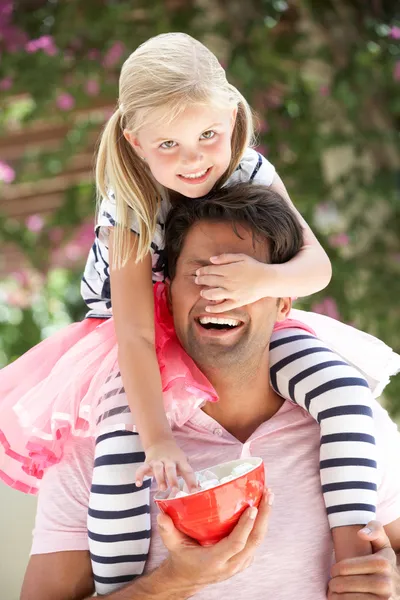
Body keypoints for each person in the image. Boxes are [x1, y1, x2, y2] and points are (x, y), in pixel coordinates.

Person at [0, 31, 399, 585]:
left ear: (233, 119)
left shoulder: (251, 169)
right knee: (123, 447)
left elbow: (317, 267)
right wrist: (159, 438)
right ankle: (121, 582)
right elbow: (135, 335)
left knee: (343, 391)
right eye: (169, 146)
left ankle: (357, 554)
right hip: (140, 335)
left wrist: (262, 277)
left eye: (208, 134)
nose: (194, 160)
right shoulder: (129, 204)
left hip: (242, 305)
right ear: (136, 142)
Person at [21, 185, 400, 600]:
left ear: (283, 302)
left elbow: (390, 554)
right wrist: (172, 582)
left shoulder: (355, 425)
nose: (218, 296)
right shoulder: (94, 446)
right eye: (200, 274)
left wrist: (390, 581)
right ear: (166, 294)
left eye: (245, 278)